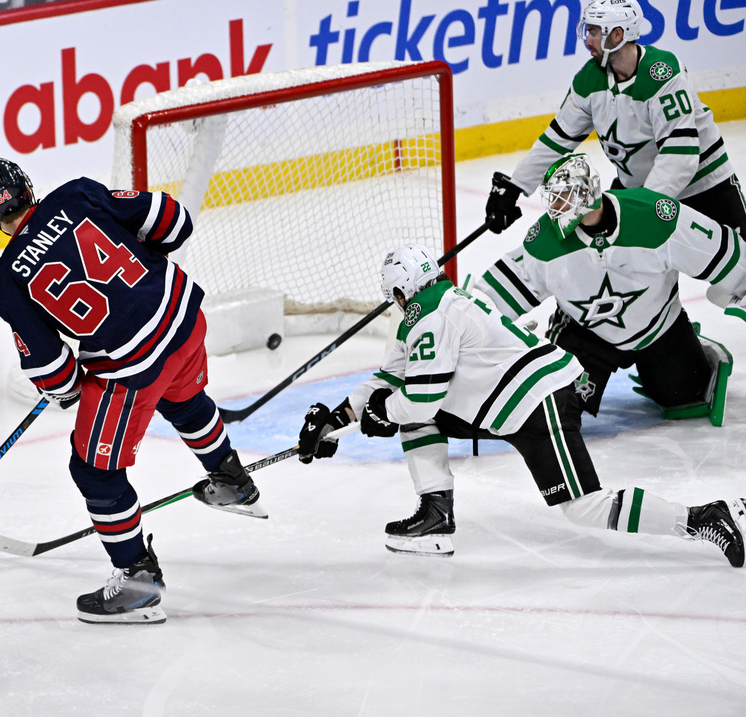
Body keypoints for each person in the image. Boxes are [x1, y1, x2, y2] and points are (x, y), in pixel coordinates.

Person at [297, 243, 746, 567]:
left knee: (584, 506)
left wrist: (383, 413)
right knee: (416, 418)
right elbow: (389, 379)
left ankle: (704, 517)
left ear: (400, 291)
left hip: (539, 400)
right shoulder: (437, 308)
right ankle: (436, 514)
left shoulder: (432, 316)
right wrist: (337, 420)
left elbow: (420, 397)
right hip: (513, 403)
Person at [0, 158, 263, 625]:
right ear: (28, 185)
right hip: (184, 319)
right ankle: (230, 479)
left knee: (93, 470)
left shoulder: (7, 282)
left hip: (133, 366)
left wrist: (67, 386)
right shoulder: (78, 192)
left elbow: (54, 374)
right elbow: (174, 222)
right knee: (182, 398)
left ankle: (137, 580)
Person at [477, 153, 745, 425]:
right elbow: (503, 287)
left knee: (686, 399)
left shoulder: (652, 216)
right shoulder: (545, 241)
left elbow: (720, 252)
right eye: (552, 198)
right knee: (557, 408)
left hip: (659, 326)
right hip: (587, 334)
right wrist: (468, 322)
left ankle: (686, 348)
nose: (554, 208)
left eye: (561, 197)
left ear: (585, 194)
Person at [484, 0, 746, 238]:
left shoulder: (662, 74)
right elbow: (557, 139)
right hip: (637, 191)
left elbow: (680, 157)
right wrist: (517, 185)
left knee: (743, 265)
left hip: (704, 183)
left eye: (594, 32)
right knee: (633, 277)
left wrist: (641, 207)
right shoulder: (589, 80)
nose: (587, 40)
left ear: (618, 35)